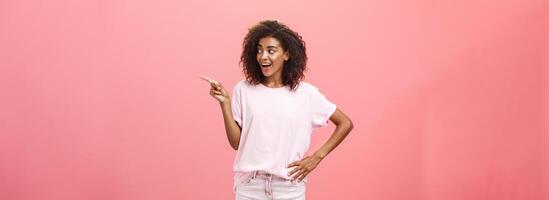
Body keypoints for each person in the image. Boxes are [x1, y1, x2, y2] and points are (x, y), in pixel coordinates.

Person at [201, 20, 353, 200]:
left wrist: (317, 157)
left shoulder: (306, 94)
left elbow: (345, 123)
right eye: (259, 50)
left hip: (289, 187)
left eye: (270, 50)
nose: (263, 56)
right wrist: (224, 103)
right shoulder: (243, 89)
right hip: (250, 187)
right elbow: (236, 143)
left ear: (287, 54)